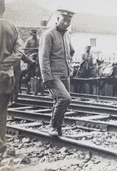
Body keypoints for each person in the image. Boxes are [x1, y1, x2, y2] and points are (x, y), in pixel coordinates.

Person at [39, 9, 75, 137]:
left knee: (60, 101)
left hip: (65, 74)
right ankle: (52, 126)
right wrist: (46, 77)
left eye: (68, 21)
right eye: (64, 20)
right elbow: (43, 57)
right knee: (65, 98)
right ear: (57, 19)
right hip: (53, 74)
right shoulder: (48, 35)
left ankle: (58, 128)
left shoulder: (67, 36)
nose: (66, 23)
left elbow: (71, 51)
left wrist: (69, 65)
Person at [0, 0, 23, 156]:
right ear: (4, 9)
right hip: (7, 78)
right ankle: (0, 150)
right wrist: (4, 64)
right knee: (1, 115)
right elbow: (20, 53)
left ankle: (1, 149)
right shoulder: (12, 27)